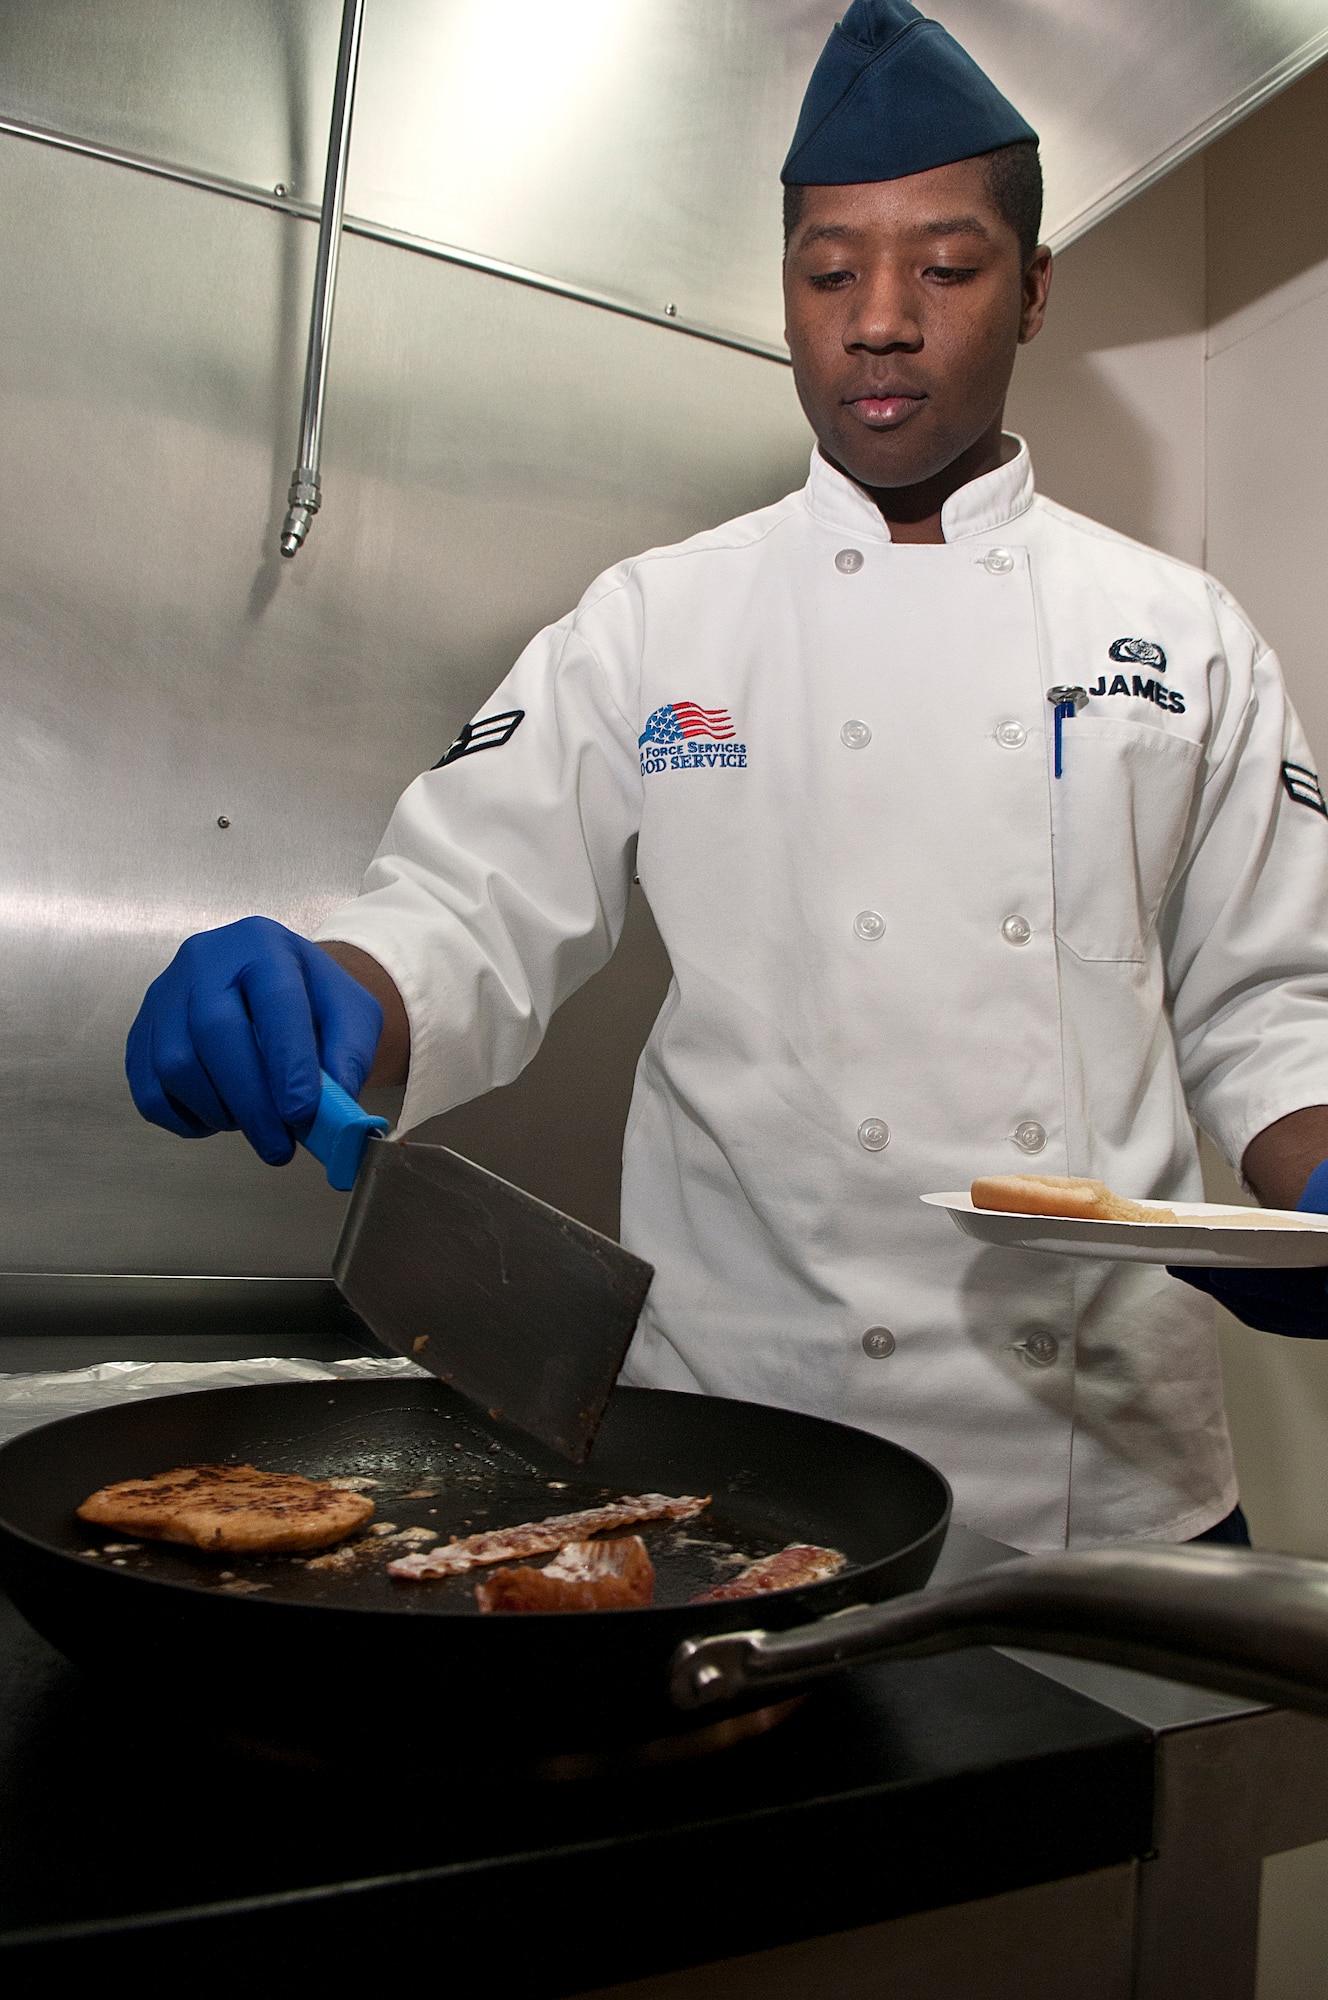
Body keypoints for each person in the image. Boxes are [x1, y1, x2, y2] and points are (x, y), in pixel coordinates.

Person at [126, 0, 1328, 1554]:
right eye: (829, 273)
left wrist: (1320, 1184)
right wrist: (338, 991)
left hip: (1113, 1472)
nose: (879, 319)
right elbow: (466, 908)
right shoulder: (658, 620)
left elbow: (1273, 1002)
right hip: (751, 1446)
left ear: (1033, 292)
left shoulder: (1183, 633)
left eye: (946, 269)